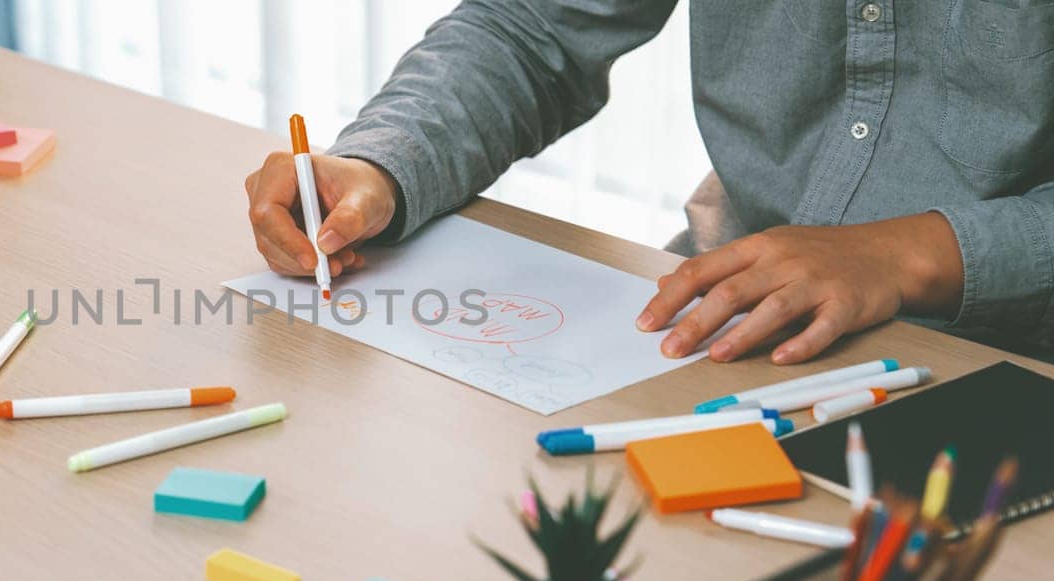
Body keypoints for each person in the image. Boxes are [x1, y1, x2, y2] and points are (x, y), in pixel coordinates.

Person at [243, 0, 1054, 364]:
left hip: (1009, 359)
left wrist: (908, 252)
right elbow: (535, 30)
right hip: (720, 328)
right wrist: (383, 164)